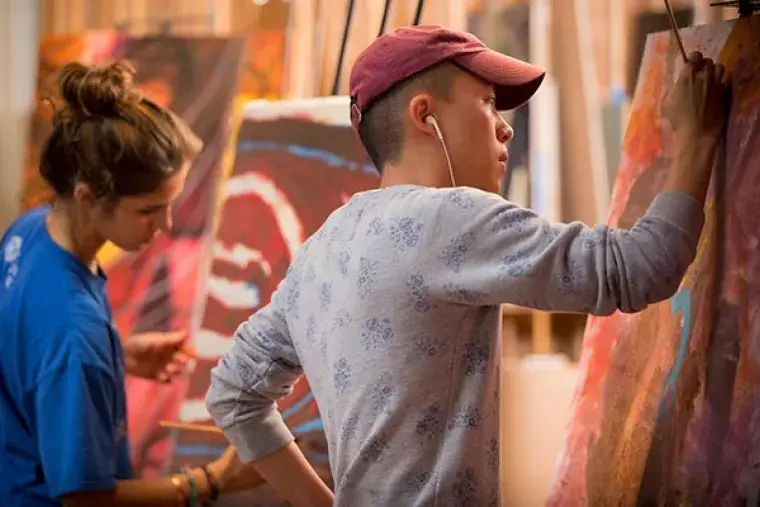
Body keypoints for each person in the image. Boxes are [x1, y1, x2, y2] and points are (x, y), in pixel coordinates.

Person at [204, 25, 727, 506]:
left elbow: (233, 392)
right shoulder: (450, 219)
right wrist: (698, 138)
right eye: (486, 103)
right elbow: (638, 269)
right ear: (424, 115)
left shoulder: (323, 245)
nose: (506, 131)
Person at [0, 60, 262, 506]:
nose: (166, 223)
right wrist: (209, 480)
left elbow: (26, 348)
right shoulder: (73, 333)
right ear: (87, 196)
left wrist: (115, 356)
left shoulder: (28, 232)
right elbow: (87, 500)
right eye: (149, 210)